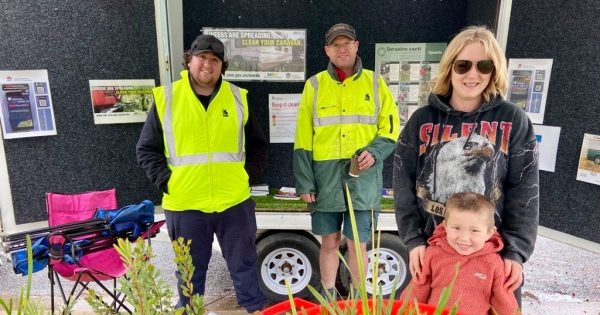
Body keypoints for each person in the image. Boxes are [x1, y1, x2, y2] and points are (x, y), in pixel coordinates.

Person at [393, 25, 539, 305]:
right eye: (463, 65)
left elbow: (525, 192)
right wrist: (413, 241)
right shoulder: (422, 120)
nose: (473, 74)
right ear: (449, 68)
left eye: (483, 65)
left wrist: (516, 253)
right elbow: (403, 187)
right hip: (434, 255)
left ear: (494, 70)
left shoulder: (514, 120)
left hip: (492, 259)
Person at [136, 34, 268, 313]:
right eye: (202, 58)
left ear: (222, 66)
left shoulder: (237, 98)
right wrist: (167, 182)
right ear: (189, 60)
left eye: (215, 60)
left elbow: (258, 145)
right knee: (189, 275)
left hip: (234, 203)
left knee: (245, 267)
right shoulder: (167, 98)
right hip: (185, 205)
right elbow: (146, 150)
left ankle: (255, 310)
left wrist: (246, 177)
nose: (208, 65)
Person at [293, 23, 400, 295]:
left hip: (362, 179)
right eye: (336, 44)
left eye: (347, 43)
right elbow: (303, 138)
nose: (342, 48)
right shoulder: (314, 85)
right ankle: (328, 298)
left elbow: (390, 129)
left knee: (358, 243)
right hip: (325, 178)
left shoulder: (376, 83)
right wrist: (305, 183)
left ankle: (358, 298)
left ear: (356, 46)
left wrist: (374, 153)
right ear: (327, 50)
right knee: (329, 241)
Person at [400, 192, 519, 315]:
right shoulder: (432, 254)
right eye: (456, 228)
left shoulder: (494, 263)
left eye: (474, 230)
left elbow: (503, 301)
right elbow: (418, 289)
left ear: (490, 232)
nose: (464, 238)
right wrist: (403, 311)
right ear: (445, 227)